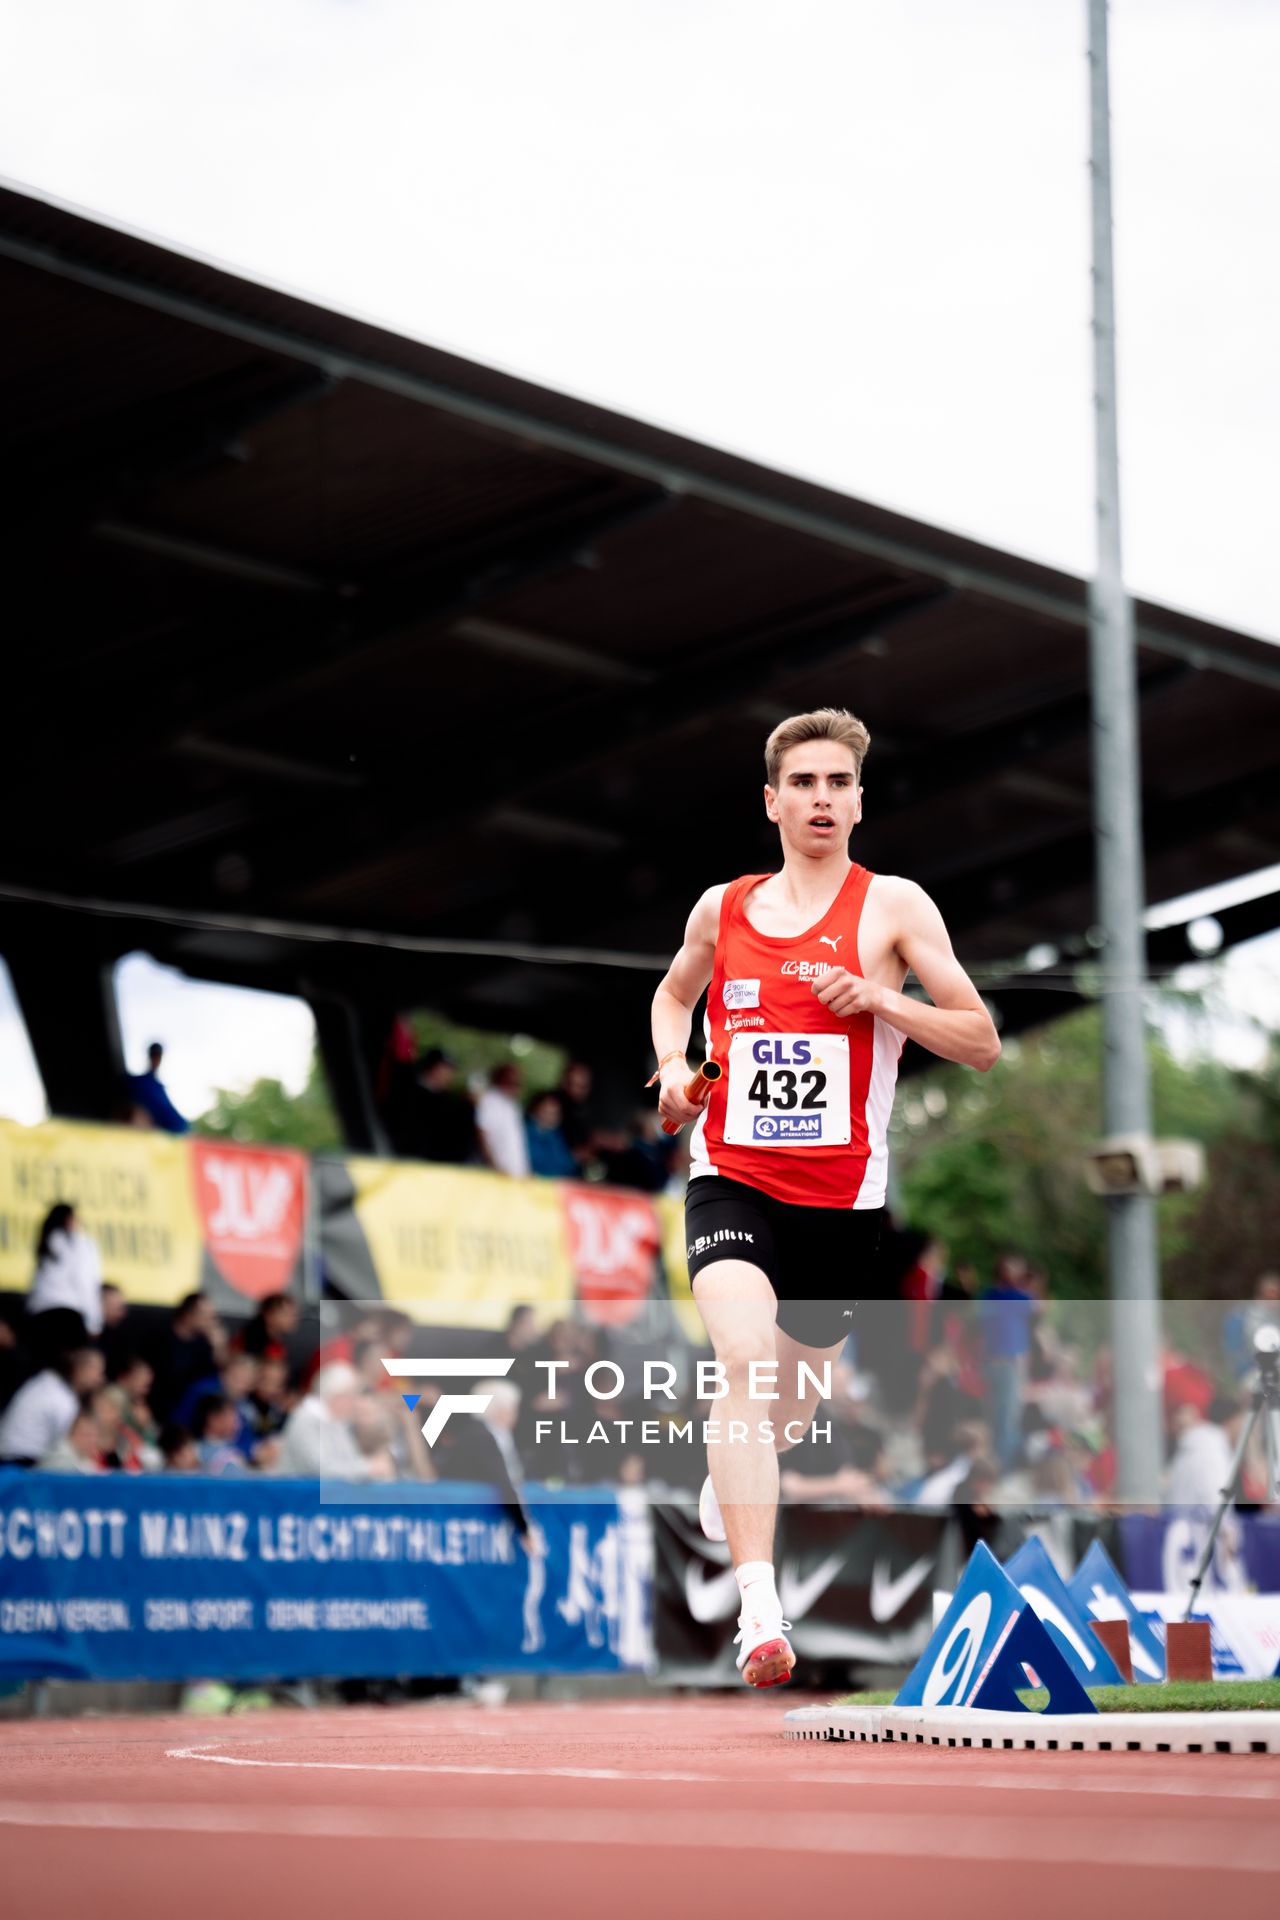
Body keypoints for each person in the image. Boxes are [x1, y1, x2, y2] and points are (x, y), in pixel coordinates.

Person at [650, 707, 999, 1687]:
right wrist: (673, 1069)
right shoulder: (722, 910)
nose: (819, 798)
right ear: (771, 801)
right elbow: (674, 994)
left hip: (842, 1205)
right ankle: (758, 1612)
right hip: (732, 1179)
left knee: (790, 1412)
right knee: (742, 1359)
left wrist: (879, 1000)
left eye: (836, 783)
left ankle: (735, 1479)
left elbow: (978, 1041)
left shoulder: (892, 908)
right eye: (801, 782)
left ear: (857, 799)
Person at [0, 1347, 105, 1465]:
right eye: (98, 1372)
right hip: (20, 1462)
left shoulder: (47, 1381)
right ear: (81, 1369)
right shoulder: (61, 1399)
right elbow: (68, 1446)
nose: (100, 1379)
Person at [25, 1204, 105, 1358]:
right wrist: (93, 1323)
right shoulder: (81, 1243)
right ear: (70, 1219)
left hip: (39, 1316)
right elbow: (86, 1282)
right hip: (67, 1318)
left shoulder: (46, 1241)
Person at [475, 1063, 529, 1178]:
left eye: (518, 1083)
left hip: (516, 1174)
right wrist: (494, 1166)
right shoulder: (489, 1100)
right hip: (497, 1174)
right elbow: (482, 1134)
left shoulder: (513, 1106)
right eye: (512, 1082)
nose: (516, 1086)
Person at [126, 1042, 189, 1134]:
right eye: (154, 1055)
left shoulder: (160, 1088)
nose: (156, 1059)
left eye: (158, 1056)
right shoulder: (137, 1082)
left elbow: (178, 1122)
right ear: (149, 1056)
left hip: (168, 1135)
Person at [525, 1091, 578, 1178]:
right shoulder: (523, 1133)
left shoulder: (557, 1135)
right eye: (546, 1112)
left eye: (554, 1113)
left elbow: (566, 1165)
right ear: (533, 1111)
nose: (550, 1117)